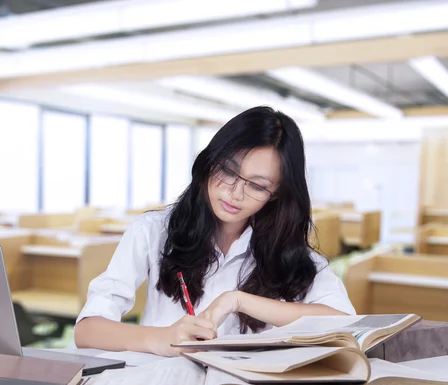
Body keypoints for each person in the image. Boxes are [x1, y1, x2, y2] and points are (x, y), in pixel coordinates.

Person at [74, 106, 355, 356]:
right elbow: (87, 330)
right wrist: (160, 338)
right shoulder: (154, 231)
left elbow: (344, 323)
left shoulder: (290, 253)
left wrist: (238, 301)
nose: (234, 193)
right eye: (228, 172)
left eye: (256, 186)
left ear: (276, 194)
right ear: (209, 163)